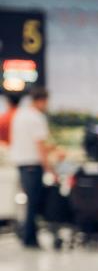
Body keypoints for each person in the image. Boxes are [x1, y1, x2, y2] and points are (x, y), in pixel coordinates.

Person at [10, 87, 54, 248]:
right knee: (34, 203)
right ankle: (30, 239)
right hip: (33, 165)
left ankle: (28, 236)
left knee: (30, 202)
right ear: (41, 100)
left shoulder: (20, 115)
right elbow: (40, 146)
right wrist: (49, 168)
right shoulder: (36, 118)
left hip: (21, 164)